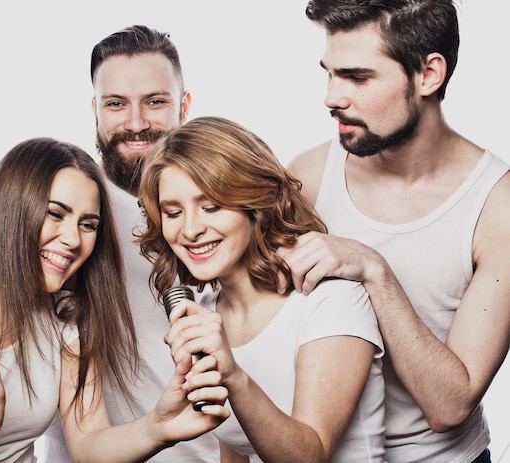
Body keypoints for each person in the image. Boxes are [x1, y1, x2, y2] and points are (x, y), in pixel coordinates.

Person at [0, 25, 222, 462]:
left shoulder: (221, 206)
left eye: (155, 101)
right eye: (116, 103)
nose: (136, 123)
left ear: (184, 105)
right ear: (95, 110)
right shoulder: (64, 187)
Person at [280, 1, 510, 462]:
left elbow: (451, 405)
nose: (331, 97)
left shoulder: (497, 206)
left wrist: (373, 270)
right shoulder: (307, 176)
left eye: (358, 78)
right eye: (329, 73)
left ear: (429, 74)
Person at [136, 116, 386, 462]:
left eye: (211, 206)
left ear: (254, 201)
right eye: (173, 212)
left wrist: (234, 377)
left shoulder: (329, 300)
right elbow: (237, 447)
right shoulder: (205, 312)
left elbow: (310, 455)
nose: (190, 229)